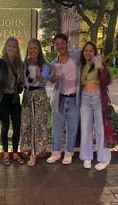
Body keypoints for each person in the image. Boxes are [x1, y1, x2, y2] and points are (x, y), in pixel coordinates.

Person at [0, 36, 24, 166]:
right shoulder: (1, 62)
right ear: (5, 48)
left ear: (17, 49)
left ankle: (15, 153)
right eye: (9, 46)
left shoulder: (20, 64)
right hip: (3, 99)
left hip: (14, 99)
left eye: (14, 46)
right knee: (5, 127)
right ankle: (5, 153)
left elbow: (21, 84)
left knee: (17, 127)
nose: (12, 48)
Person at [46, 34, 81, 165]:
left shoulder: (76, 56)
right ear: (54, 46)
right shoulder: (54, 63)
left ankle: (69, 153)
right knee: (57, 127)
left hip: (74, 99)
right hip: (59, 99)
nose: (59, 46)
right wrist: (54, 77)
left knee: (72, 128)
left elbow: (89, 56)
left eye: (62, 43)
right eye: (57, 44)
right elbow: (51, 81)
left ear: (67, 43)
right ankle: (55, 153)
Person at [79, 41, 113, 171]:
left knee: (100, 129)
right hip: (85, 98)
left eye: (91, 50)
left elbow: (106, 80)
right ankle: (87, 156)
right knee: (86, 130)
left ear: (94, 52)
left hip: (98, 97)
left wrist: (101, 67)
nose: (88, 53)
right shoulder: (83, 65)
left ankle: (104, 158)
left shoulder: (98, 62)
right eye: (86, 50)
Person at [20, 39, 50, 167]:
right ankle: (28, 148)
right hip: (27, 94)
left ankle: (35, 153)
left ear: (39, 50)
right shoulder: (23, 64)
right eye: (30, 48)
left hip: (39, 95)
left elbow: (44, 81)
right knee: (26, 122)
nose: (32, 51)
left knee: (38, 124)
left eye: (35, 48)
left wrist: (37, 75)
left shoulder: (45, 65)